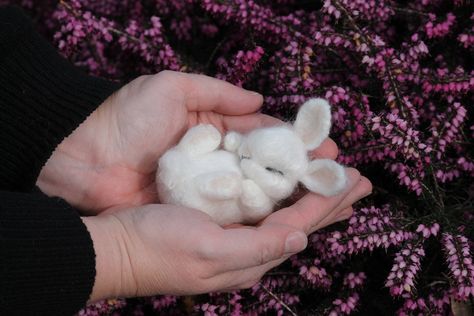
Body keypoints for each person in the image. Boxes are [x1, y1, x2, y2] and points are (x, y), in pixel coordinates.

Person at [0, 5, 372, 315]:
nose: (248, 153)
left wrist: (56, 124)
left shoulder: (254, 184)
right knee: (199, 164)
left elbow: (247, 185)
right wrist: (122, 254)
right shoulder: (240, 157)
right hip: (182, 166)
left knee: (214, 178)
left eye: (271, 169)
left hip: (189, 175)